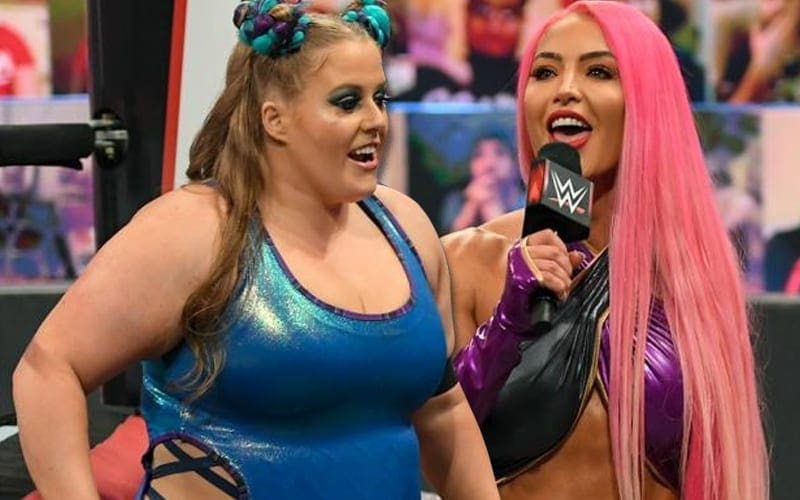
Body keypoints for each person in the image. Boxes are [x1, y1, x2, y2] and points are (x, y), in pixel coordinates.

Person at [11, 1, 499, 498]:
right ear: (275, 119)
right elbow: (48, 369)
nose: (376, 120)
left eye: (380, 98)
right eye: (347, 102)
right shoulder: (191, 232)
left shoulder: (406, 226)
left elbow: (442, 409)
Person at [443, 1, 768, 499]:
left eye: (598, 71)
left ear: (649, 102)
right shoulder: (467, 261)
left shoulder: (692, 274)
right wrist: (508, 323)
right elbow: (437, 446)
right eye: (545, 71)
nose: (565, 89)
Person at [446, 130, 524, 232]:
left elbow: (521, 242)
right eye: (479, 155)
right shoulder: (456, 200)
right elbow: (448, 239)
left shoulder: (531, 205)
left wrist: (492, 207)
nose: (489, 163)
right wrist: (471, 206)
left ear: (516, 164)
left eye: (499, 153)